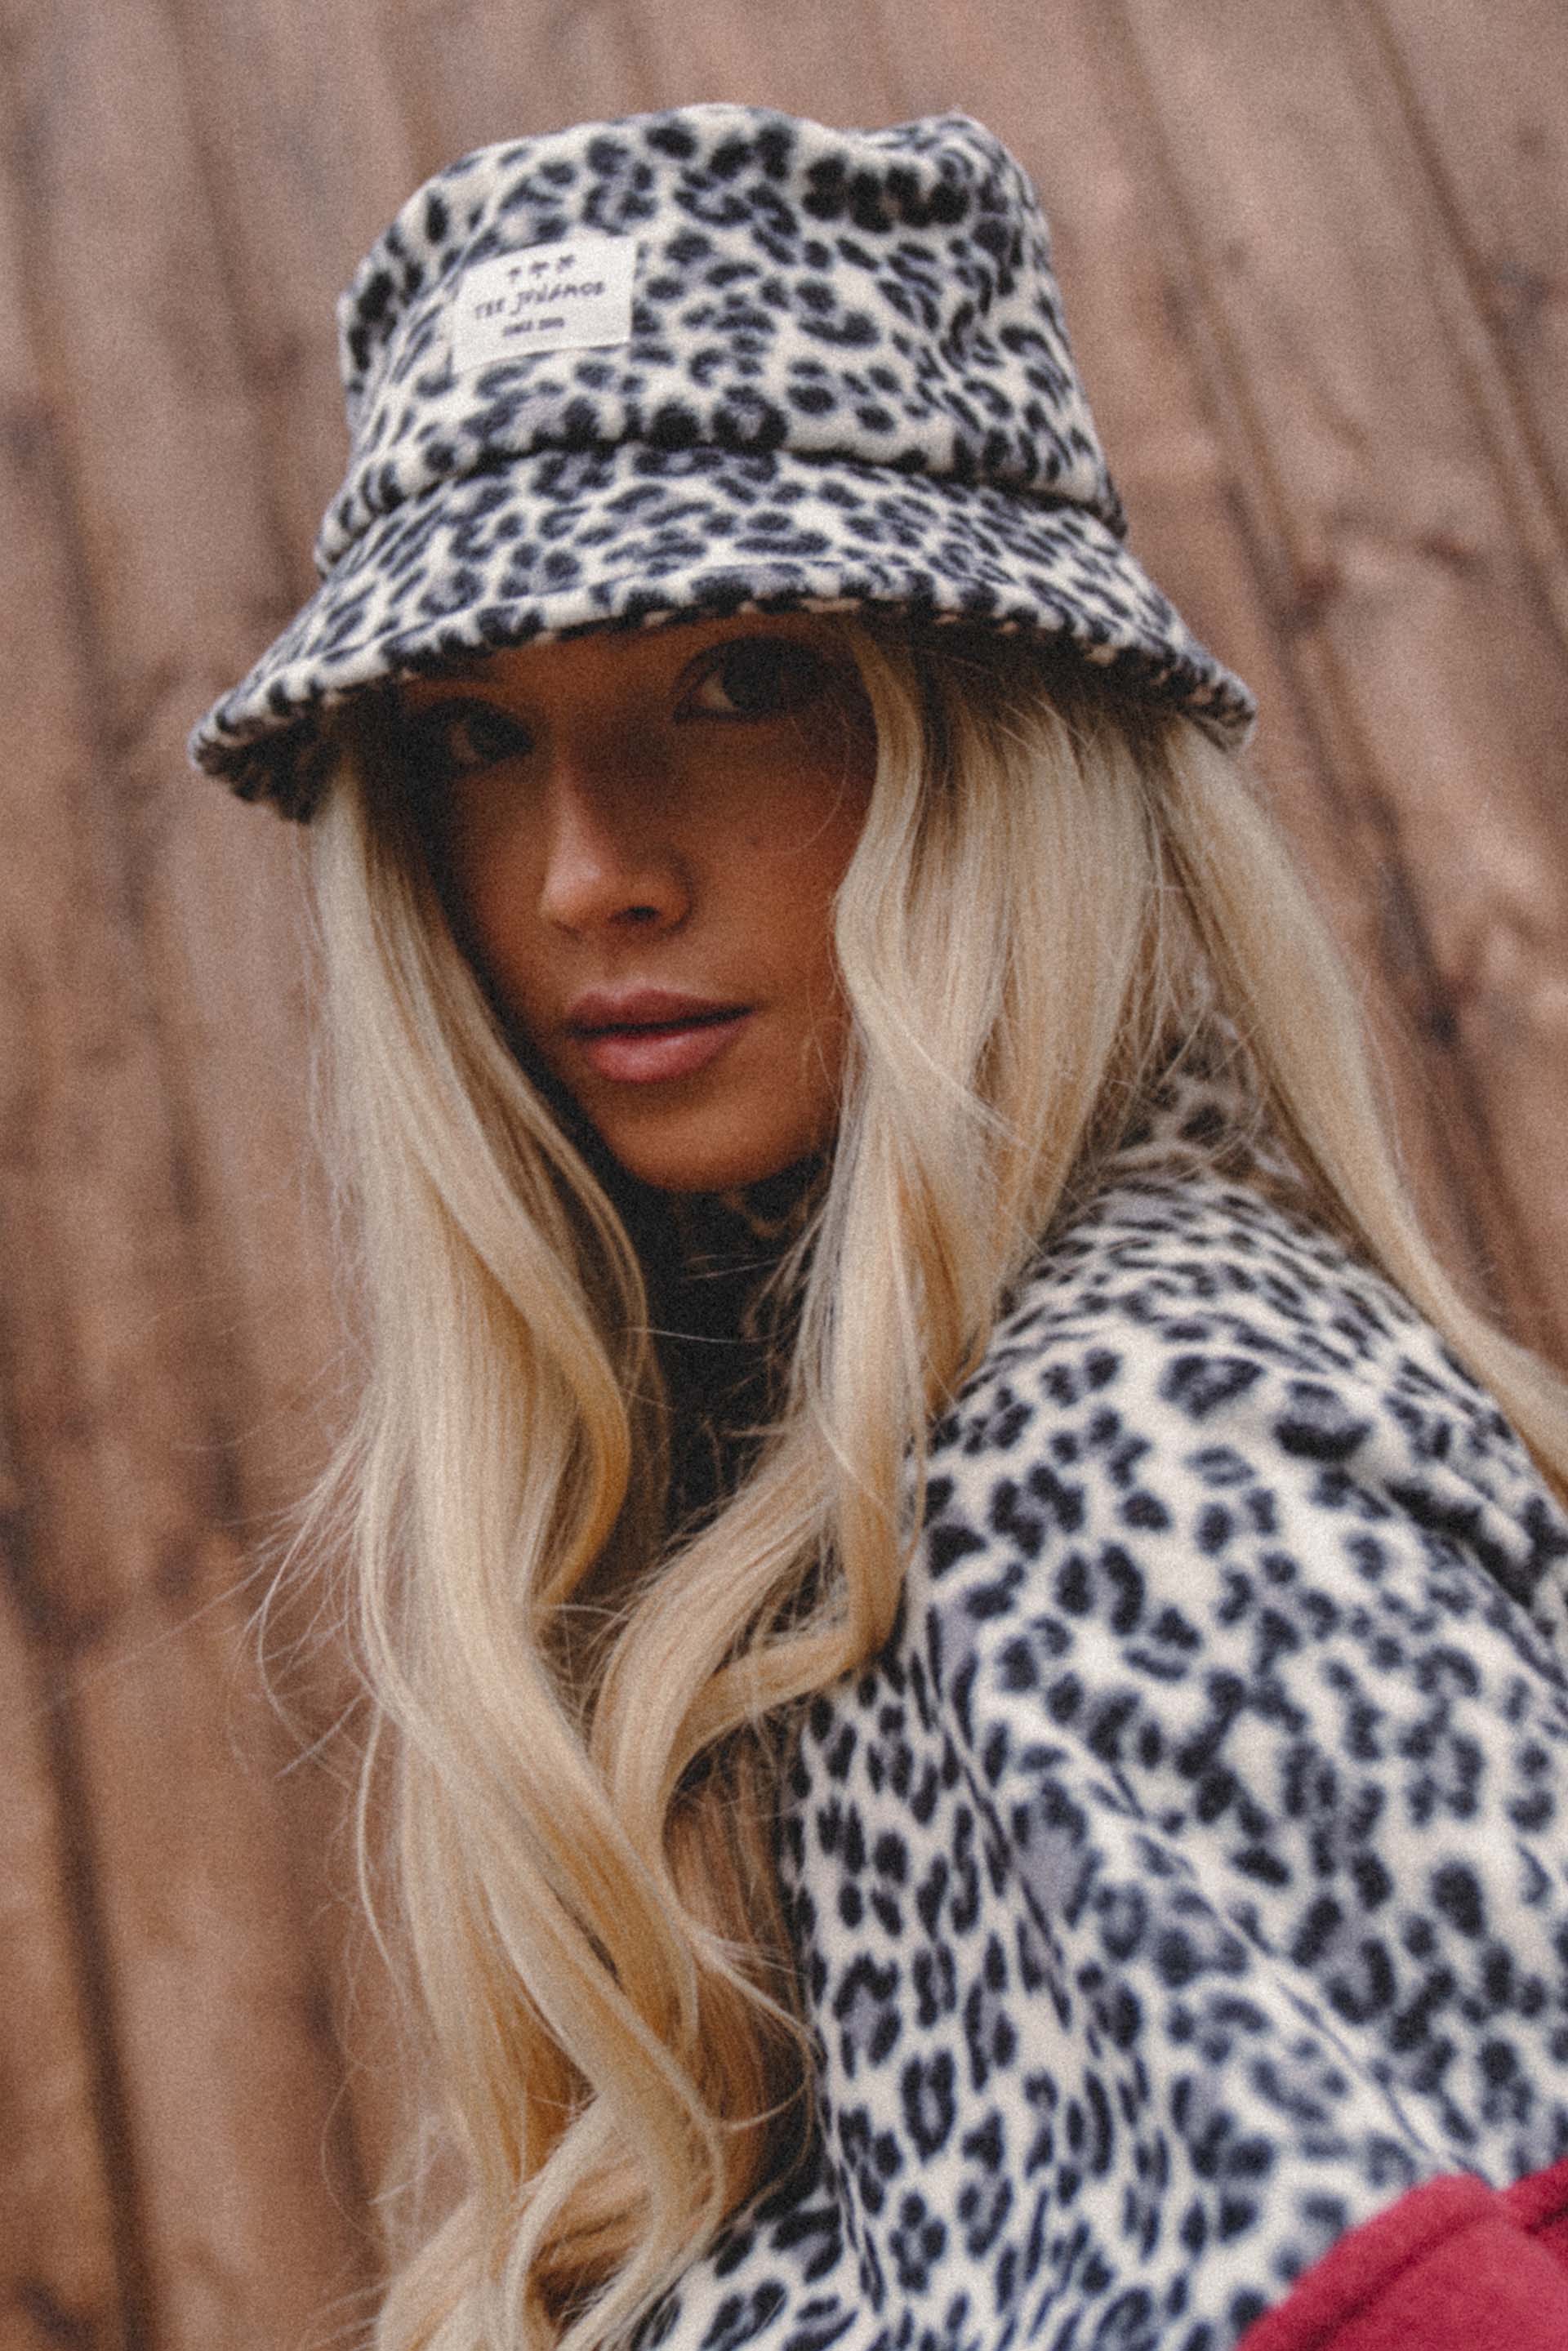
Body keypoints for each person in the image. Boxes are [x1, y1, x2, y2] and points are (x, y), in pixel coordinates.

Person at [190, 105, 1568, 2351]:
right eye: (470, 739)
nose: (585, 872)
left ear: (1001, 739)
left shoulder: (1117, 1461)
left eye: (742, 681)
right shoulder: (856, 1515)